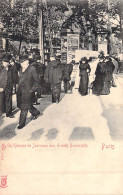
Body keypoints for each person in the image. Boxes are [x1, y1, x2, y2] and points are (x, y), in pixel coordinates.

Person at [17, 57, 40, 129]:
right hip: (20, 91)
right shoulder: (21, 69)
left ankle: (21, 123)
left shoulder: (32, 69)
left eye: (22, 62)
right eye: (20, 62)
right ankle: (35, 112)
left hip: (28, 91)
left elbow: (37, 81)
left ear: (27, 61)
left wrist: (32, 90)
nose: (21, 64)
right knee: (26, 105)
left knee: (24, 107)